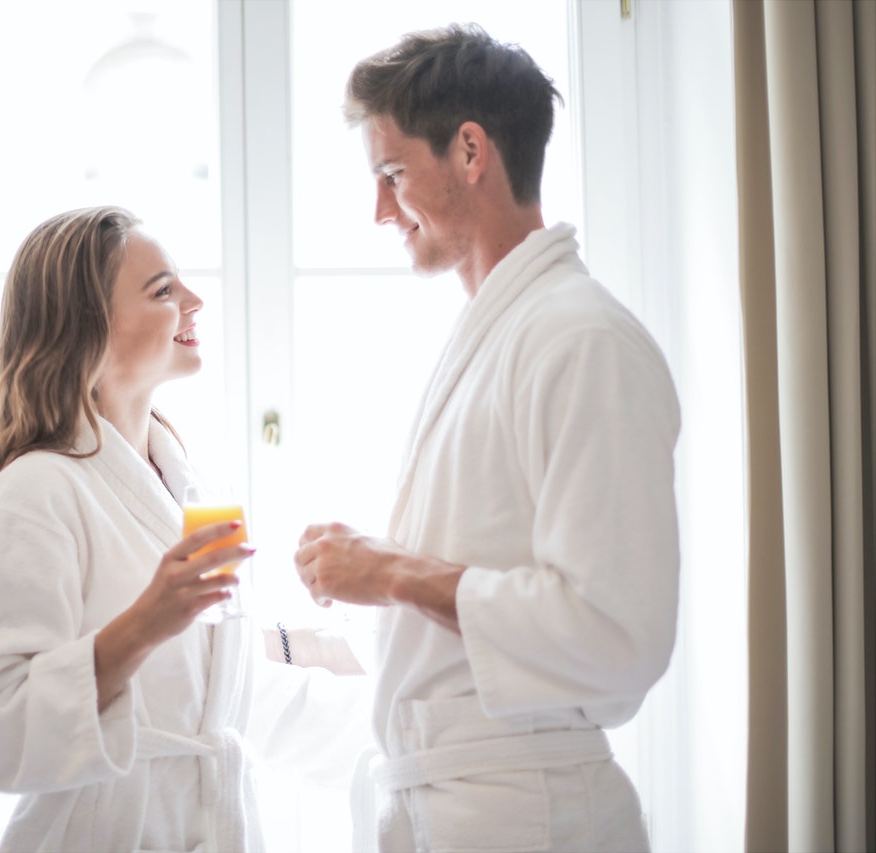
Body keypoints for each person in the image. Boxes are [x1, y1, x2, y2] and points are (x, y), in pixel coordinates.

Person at [292, 24, 681, 853]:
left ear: (471, 151)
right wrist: (361, 585)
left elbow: (617, 635)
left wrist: (391, 570)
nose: (378, 211)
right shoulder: (502, 334)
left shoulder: (581, 340)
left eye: (392, 174)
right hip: (456, 802)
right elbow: (483, 591)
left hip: (527, 814)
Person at [0, 205, 369, 852]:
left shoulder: (201, 493)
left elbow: (233, 696)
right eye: (164, 290)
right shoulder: (33, 493)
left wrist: (403, 736)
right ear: (89, 325)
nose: (195, 301)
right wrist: (146, 620)